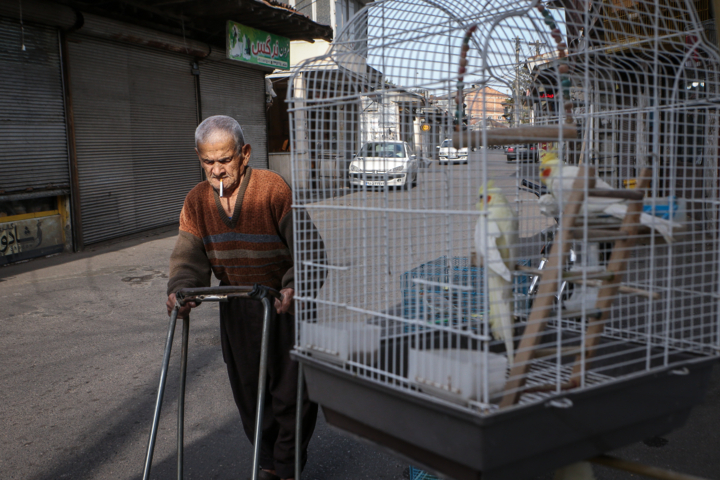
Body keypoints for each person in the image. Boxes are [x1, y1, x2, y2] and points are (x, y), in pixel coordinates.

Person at [166, 115, 325, 480]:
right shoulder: (196, 202)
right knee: (252, 397)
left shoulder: (272, 189)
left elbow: (309, 249)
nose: (217, 170)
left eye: (225, 160)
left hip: (284, 306)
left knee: (293, 396)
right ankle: (268, 464)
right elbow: (188, 258)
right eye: (208, 162)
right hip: (237, 307)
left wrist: (295, 285)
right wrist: (180, 290)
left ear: (244, 154)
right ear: (198, 158)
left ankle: (288, 468)